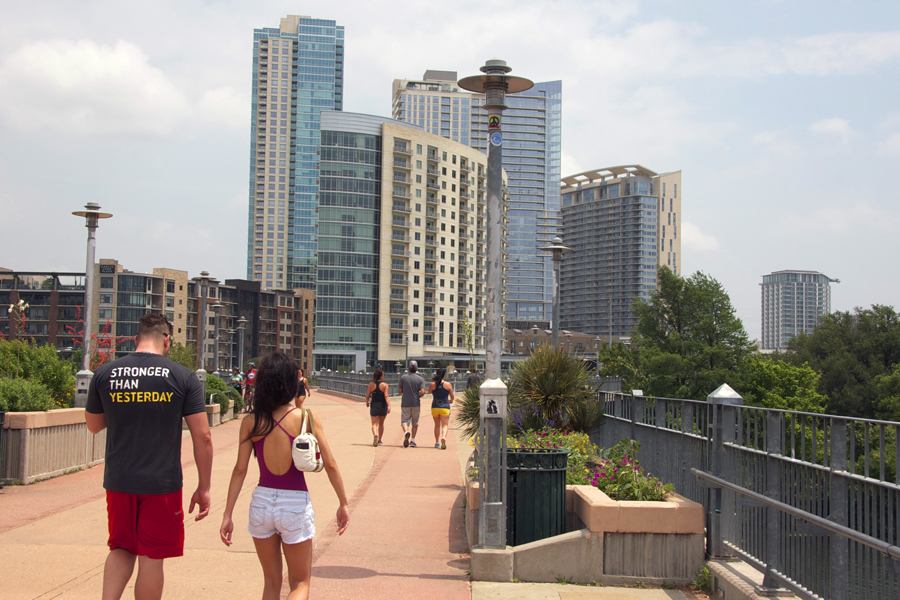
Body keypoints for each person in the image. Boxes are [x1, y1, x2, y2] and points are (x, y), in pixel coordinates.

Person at [85, 312, 213, 600]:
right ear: (167, 340)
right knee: (152, 556)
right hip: (161, 484)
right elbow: (203, 436)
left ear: (135, 339)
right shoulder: (183, 377)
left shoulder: (106, 373)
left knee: (120, 547)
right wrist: (203, 487)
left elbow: (93, 426)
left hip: (119, 479)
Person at [220, 351, 349, 600]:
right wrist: (343, 503)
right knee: (300, 583)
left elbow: (239, 470)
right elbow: (330, 464)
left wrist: (227, 514)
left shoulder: (251, 421)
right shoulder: (305, 418)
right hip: (294, 504)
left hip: (261, 503)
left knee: (271, 582)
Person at [397, 360, 425, 448]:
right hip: (416, 403)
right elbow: (423, 392)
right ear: (416, 368)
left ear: (409, 368)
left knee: (405, 421)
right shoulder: (420, 379)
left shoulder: (403, 378)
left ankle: (406, 432)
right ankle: (412, 440)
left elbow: (400, 391)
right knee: (415, 423)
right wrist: (418, 396)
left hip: (405, 403)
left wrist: (406, 393)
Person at [427, 368, 455, 450]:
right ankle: (443, 437)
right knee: (445, 425)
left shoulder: (432, 384)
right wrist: (451, 400)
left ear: (436, 374)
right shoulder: (448, 384)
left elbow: (429, 391)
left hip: (435, 406)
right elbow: (452, 395)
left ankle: (436, 442)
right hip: (445, 407)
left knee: (437, 425)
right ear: (444, 375)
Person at [364, 369, 391, 447]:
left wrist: (367, 402)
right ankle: (379, 440)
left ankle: (375, 435)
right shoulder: (385, 385)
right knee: (381, 423)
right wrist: (389, 405)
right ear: (381, 376)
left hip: (374, 406)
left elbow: (367, 396)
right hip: (383, 406)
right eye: (383, 375)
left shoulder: (371, 384)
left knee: (374, 424)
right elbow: (386, 396)